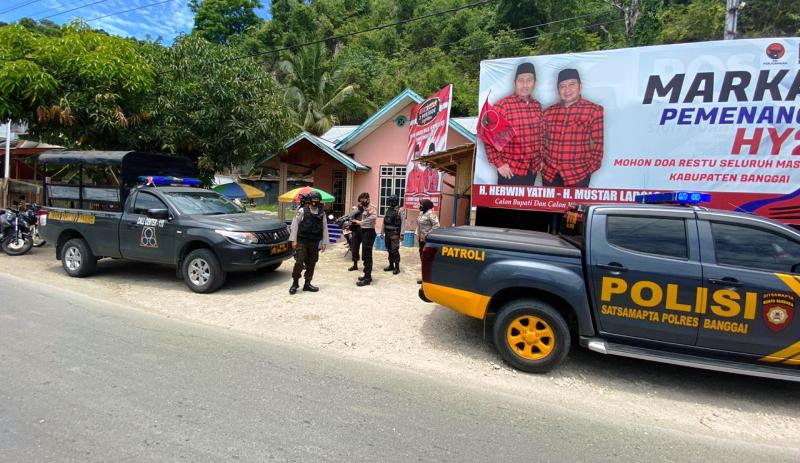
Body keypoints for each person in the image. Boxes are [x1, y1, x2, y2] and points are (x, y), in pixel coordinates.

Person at [483, 61, 548, 186]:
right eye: (521, 80)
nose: (525, 85)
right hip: (511, 171)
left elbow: (541, 135)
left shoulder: (537, 106)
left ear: (534, 83)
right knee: (507, 206)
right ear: (514, 83)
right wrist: (499, 164)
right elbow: (489, 137)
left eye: (529, 80)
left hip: (531, 171)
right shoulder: (502, 106)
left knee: (525, 205)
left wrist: (540, 159)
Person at [542, 68, 604, 187]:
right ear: (558, 90)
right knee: (550, 206)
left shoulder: (594, 110)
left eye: (572, 84)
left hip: (578, 175)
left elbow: (598, 145)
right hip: (550, 174)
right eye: (562, 86)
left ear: (580, 86)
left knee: (575, 206)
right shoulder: (548, 112)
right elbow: (541, 142)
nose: (567, 90)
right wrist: (544, 165)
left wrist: (588, 170)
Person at [288, 192, 328, 295]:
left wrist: (324, 242)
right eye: (313, 199)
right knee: (299, 262)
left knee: (312, 263)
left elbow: (324, 228)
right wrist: (294, 240)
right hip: (302, 240)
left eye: (317, 199)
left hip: (314, 242)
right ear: (310, 200)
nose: (315, 201)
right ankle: (295, 283)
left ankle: (307, 284)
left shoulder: (322, 213)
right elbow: (295, 225)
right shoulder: (302, 210)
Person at [352, 192, 377, 286]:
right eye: (360, 201)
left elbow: (374, 217)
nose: (361, 202)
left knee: (367, 255)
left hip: (369, 232)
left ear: (368, 199)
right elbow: (352, 214)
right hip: (363, 232)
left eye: (363, 200)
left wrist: (361, 222)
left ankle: (367, 278)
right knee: (364, 255)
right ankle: (367, 275)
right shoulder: (363, 208)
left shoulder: (372, 207)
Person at [416, 198, 439, 284]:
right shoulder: (421, 213)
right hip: (420, 240)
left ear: (426, 206)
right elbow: (418, 225)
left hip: (427, 241)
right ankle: (424, 277)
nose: (420, 206)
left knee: (427, 260)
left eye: (422, 205)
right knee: (422, 258)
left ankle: (428, 279)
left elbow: (436, 226)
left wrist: (427, 235)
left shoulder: (431, 214)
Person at [382, 195, 403, 275]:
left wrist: (402, 234)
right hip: (387, 233)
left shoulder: (400, 210)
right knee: (389, 249)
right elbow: (384, 222)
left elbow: (403, 222)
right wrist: (382, 232)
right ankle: (391, 265)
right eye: (390, 201)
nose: (391, 203)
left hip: (395, 233)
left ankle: (397, 267)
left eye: (392, 201)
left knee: (394, 250)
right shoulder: (388, 209)